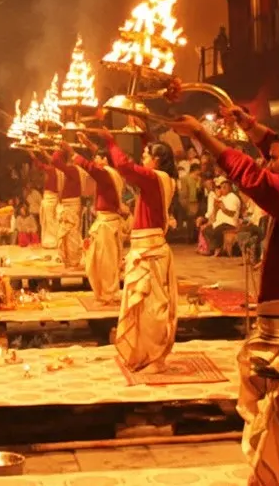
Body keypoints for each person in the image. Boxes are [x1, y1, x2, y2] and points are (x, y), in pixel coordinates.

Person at [169, 107, 279, 486]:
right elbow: (274, 151)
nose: (270, 158)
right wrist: (247, 125)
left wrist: (202, 134)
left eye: (276, 156)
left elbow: (251, 176)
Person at [87, 127, 178, 373]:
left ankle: (155, 358)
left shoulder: (156, 178)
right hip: (145, 248)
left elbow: (126, 167)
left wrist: (111, 141)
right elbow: (139, 163)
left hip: (150, 251)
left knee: (150, 309)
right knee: (140, 308)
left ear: (156, 161)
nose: (143, 159)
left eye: (146, 155)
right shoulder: (160, 178)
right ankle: (144, 354)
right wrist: (143, 134)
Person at [72, 135, 130, 304]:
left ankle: (109, 293)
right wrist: (89, 144)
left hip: (108, 224)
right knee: (97, 260)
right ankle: (105, 292)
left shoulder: (107, 174)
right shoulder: (110, 173)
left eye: (98, 158)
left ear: (105, 160)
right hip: (105, 222)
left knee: (106, 261)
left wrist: (73, 154)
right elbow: (95, 165)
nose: (95, 161)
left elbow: (92, 168)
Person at [52, 146, 86, 268]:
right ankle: (69, 260)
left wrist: (58, 149)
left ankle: (73, 260)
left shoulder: (73, 170)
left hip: (71, 205)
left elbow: (55, 161)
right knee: (67, 235)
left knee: (71, 234)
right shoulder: (72, 170)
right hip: (68, 204)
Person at [33, 150, 61, 249]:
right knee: (49, 220)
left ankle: (53, 241)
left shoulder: (53, 170)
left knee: (50, 221)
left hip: (51, 198)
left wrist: (32, 154)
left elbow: (40, 165)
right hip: (52, 198)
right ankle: (52, 241)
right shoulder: (59, 171)